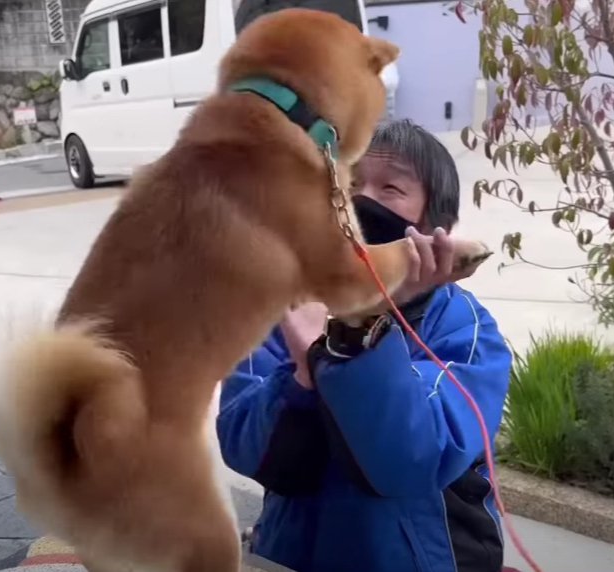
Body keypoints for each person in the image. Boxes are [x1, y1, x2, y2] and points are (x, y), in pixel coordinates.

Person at [216, 119, 513, 572]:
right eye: (350, 184)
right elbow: (243, 445)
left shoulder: (464, 330)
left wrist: (349, 335)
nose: (362, 201)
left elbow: (411, 460)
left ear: (438, 228)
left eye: (391, 187)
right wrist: (300, 376)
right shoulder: (282, 305)